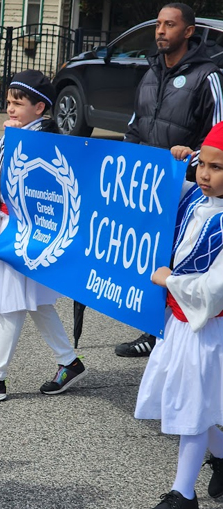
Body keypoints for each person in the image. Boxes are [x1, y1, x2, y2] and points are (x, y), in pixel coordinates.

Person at [0, 70, 86, 402]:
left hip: (20, 235)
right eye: (8, 102)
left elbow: (14, 194)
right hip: (23, 234)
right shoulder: (20, 134)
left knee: (11, 305)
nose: (10, 109)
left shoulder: (37, 140)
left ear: (40, 107)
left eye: (18, 103)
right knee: (37, 303)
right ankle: (69, 362)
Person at [116, 2, 223, 358]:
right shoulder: (149, 73)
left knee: (182, 260)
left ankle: (170, 331)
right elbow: (135, 126)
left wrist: (192, 162)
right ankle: (152, 327)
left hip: (190, 190)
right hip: (150, 189)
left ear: (188, 31)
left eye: (170, 25)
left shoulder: (207, 76)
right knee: (152, 258)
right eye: (159, 24)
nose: (161, 31)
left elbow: (218, 136)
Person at [134, 122, 223, 509]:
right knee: (202, 404)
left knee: (192, 406)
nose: (204, 174)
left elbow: (214, 289)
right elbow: (176, 191)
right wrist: (179, 162)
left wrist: (168, 279)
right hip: (181, 323)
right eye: (202, 164)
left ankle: (183, 494)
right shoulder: (196, 199)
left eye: (216, 167)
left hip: (207, 329)